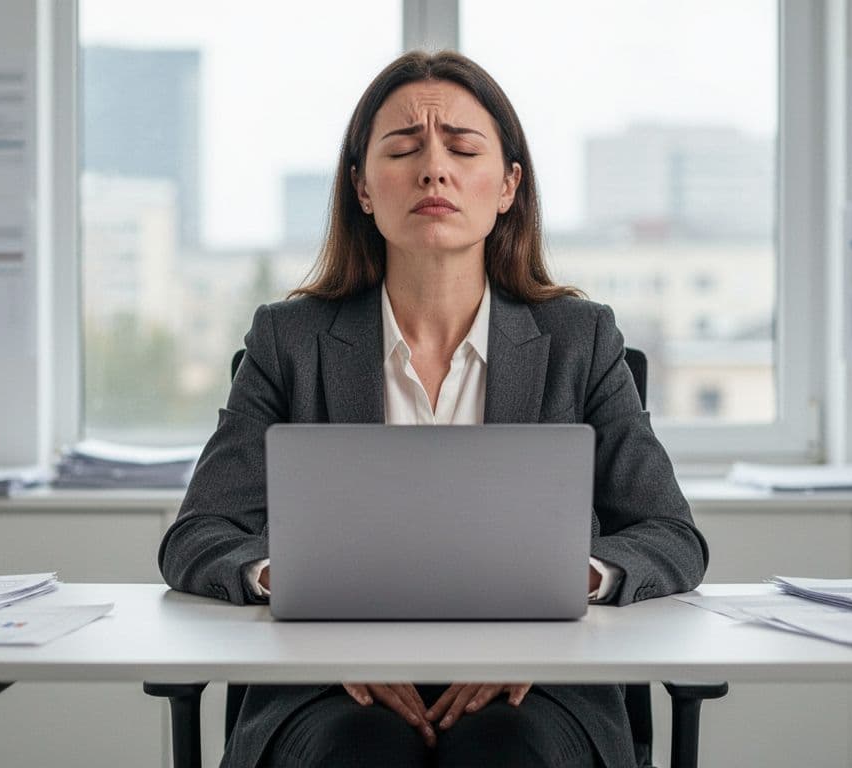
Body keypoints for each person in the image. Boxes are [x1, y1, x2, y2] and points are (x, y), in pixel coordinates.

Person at [158, 49, 709, 768]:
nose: (433, 169)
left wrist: (559, 596)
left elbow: (671, 536)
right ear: (361, 187)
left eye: (462, 146)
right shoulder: (287, 341)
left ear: (508, 185)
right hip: (330, 689)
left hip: (538, 687)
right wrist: (302, 604)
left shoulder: (582, 340)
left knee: (504, 754)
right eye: (404, 148)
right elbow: (197, 536)